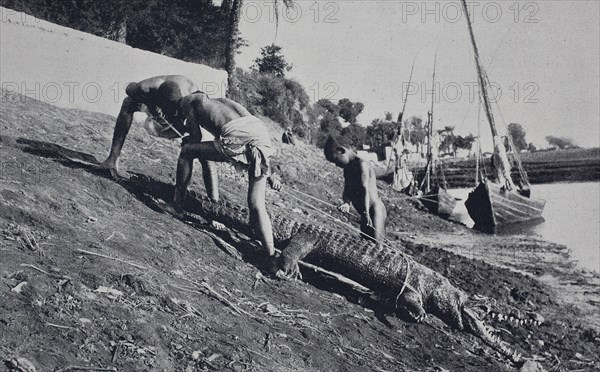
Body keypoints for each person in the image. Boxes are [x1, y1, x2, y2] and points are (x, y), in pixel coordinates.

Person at [169, 92, 281, 258]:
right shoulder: (215, 101)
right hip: (259, 130)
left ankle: (176, 206)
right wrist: (269, 172)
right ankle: (270, 255)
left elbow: (195, 137)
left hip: (237, 135)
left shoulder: (187, 102)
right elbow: (252, 137)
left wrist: (187, 138)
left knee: (187, 152)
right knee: (257, 204)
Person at [98, 76, 217, 198]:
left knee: (202, 147)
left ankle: (213, 198)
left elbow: (197, 135)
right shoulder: (150, 87)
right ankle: (112, 159)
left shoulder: (193, 98)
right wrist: (151, 105)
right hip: (158, 114)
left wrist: (190, 137)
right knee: (128, 102)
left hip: (184, 116)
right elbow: (130, 88)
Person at [324, 136, 387, 246]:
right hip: (364, 213)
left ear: (342, 151)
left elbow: (365, 189)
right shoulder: (347, 169)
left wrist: (366, 212)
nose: (336, 165)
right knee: (366, 242)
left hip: (374, 209)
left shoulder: (362, 164)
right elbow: (347, 189)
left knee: (376, 244)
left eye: (336, 160)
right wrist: (346, 202)